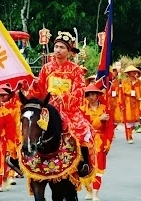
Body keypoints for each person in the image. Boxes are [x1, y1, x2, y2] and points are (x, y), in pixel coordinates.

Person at [30, 31, 95, 177]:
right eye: (56, 46)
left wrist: (64, 98)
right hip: (48, 109)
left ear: (68, 51)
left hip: (68, 110)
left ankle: (84, 162)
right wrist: (33, 86)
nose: (58, 50)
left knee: (83, 129)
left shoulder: (75, 70)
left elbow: (79, 91)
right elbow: (40, 90)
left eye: (62, 47)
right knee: (28, 125)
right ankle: (22, 158)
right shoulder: (46, 68)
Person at [80, 84, 113, 201]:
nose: (90, 97)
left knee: (98, 167)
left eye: (93, 94)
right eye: (88, 95)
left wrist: (108, 142)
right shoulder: (82, 109)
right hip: (86, 141)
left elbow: (109, 127)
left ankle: (95, 193)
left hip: (100, 141)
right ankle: (88, 189)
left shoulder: (105, 108)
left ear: (98, 95)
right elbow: (85, 125)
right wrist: (99, 119)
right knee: (86, 166)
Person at [120, 65, 141, 143]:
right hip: (128, 101)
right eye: (131, 71)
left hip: (136, 101)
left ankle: (137, 127)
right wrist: (121, 103)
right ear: (128, 73)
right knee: (129, 118)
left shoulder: (139, 82)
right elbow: (123, 91)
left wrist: (140, 97)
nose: (133, 73)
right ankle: (129, 136)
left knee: (137, 116)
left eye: (134, 71)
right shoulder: (125, 82)